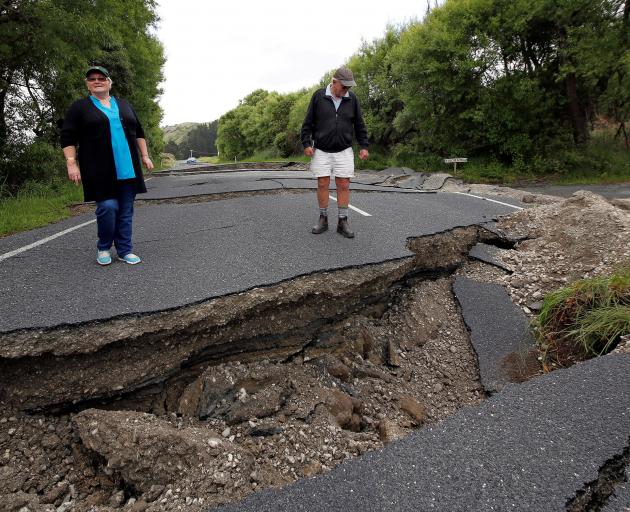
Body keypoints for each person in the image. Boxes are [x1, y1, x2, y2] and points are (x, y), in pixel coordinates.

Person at [60, 66, 154, 266]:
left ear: (109, 82)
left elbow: (138, 132)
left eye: (101, 78)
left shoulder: (124, 104)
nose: (97, 81)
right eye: (92, 78)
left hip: (128, 167)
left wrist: (145, 156)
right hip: (98, 169)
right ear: (87, 84)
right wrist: (71, 163)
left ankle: (125, 250)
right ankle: (103, 246)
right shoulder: (79, 108)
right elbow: (68, 136)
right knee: (108, 207)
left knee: (126, 210)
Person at [301, 66, 369, 238]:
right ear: (334, 82)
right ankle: (323, 219)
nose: (346, 90)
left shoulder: (352, 99)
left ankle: (342, 221)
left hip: (344, 150)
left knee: (344, 184)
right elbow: (307, 122)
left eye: (349, 87)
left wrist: (364, 146)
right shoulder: (319, 96)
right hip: (321, 149)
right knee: (323, 183)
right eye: (344, 87)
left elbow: (359, 125)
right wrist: (306, 143)